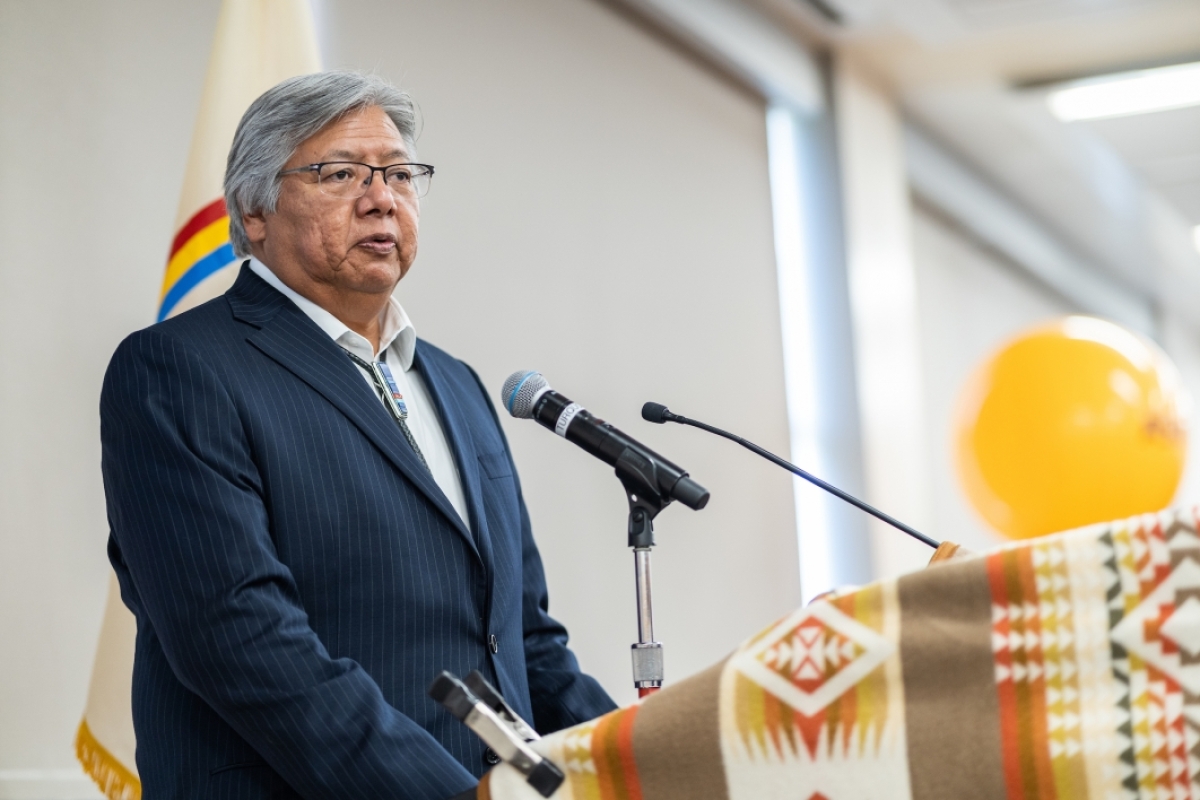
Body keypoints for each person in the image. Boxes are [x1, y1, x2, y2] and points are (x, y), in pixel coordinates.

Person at [100, 70, 616, 799]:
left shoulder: (459, 384)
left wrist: (637, 765)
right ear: (253, 210)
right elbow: (241, 643)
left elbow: (523, 642)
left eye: (400, 174)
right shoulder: (178, 369)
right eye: (340, 173)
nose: (382, 197)